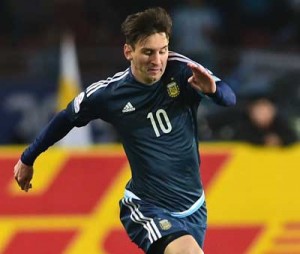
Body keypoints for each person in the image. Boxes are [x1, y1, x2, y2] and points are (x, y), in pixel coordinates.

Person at [13, 7, 236, 254]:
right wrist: (28, 158)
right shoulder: (109, 94)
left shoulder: (182, 70)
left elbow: (229, 98)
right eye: (148, 52)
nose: (157, 60)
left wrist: (212, 91)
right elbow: (66, 118)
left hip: (193, 206)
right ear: (128, 51)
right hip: (147, 206)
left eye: (163, 51)